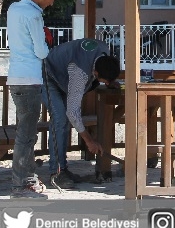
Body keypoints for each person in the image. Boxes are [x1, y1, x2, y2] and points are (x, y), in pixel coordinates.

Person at [6, 0, 62, 198]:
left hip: (15, 77)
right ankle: (21, 184)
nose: (52, 4)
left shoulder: (14, 9)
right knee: (27, 135)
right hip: (30, 78)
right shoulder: (34, 15)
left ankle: (27, 178)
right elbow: (41, 51)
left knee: (24, 132)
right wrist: (48, 45)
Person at [42, 38, 121, 189]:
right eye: (102, 80)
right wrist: (89, 141)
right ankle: (56, 173)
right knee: (60, 120)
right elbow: (73, 112)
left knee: (63, 121)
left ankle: (63, 168)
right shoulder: (79, 72)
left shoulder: (104, 50)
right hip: (48, 75)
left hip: (63, 76)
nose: (104, 83)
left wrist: (110, 82)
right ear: (95, 73)